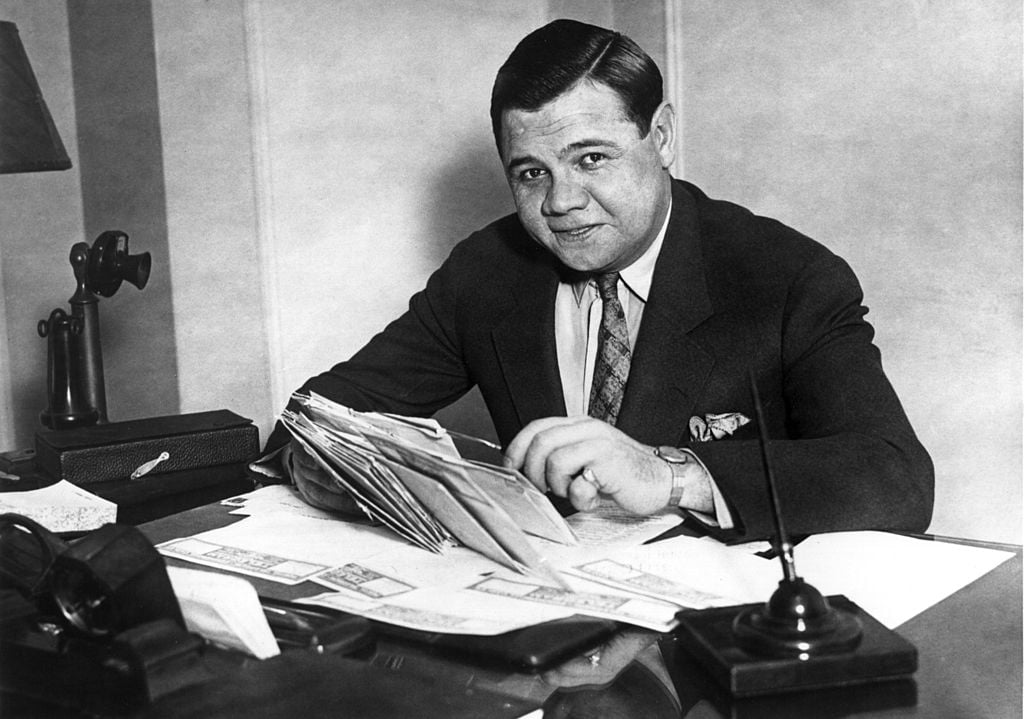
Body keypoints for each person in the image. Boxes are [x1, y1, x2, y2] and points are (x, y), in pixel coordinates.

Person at [263, 18, 933, 541]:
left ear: (662, 137)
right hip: (551, 634)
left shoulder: (787, 277)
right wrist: (363, 477)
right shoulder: (486, 272)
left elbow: (898, 477)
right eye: (532, 173)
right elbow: (314, 420)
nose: (561, 202)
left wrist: (670, 474)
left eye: (591, 158)